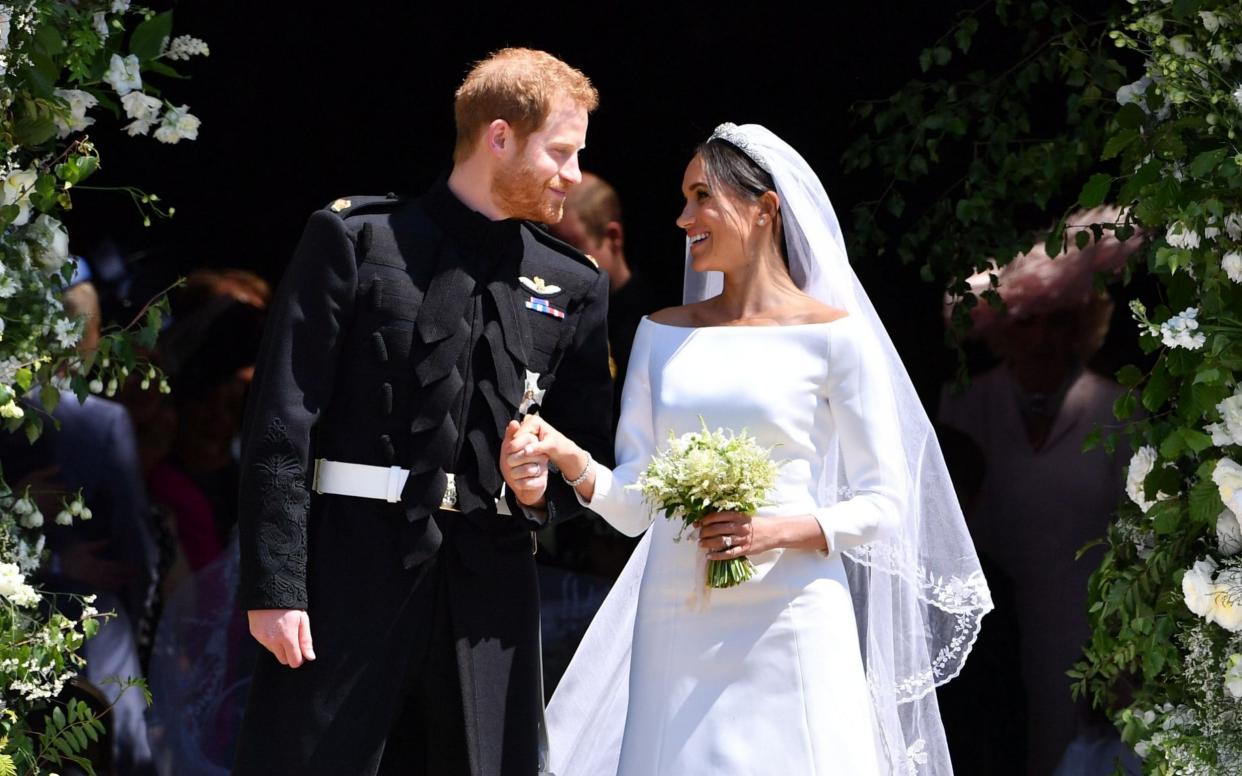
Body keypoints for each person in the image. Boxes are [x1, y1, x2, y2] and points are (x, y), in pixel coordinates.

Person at [504, 124, 992, 775]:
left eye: (702, 196)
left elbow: (886, 503)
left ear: (764, 210)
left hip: (792, 614)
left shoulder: (835, 340)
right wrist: (573, 461)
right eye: (683, 198)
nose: (682, 218)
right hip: (675, 615)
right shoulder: (658, 335)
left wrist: (774, 530)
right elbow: (634, 507)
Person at [232, 48, 613, 776]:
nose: (574, 175)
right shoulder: (356, 239)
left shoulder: (574, 283)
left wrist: (542, 488)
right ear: (498, 136)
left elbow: (589, 443)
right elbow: (281, 424)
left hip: (490, 600)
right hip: (347, 575)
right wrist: (275, 587)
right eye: (560, 153)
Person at [937, 210, 1140, 775]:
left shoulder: (1118, 409)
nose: (1045, 337)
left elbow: (1140, 539)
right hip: (989, 630)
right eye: (1029, 321)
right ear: (1002, 327)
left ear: (1083, 324)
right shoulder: (963, 405)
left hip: (1086, 632)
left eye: (1060, 321)